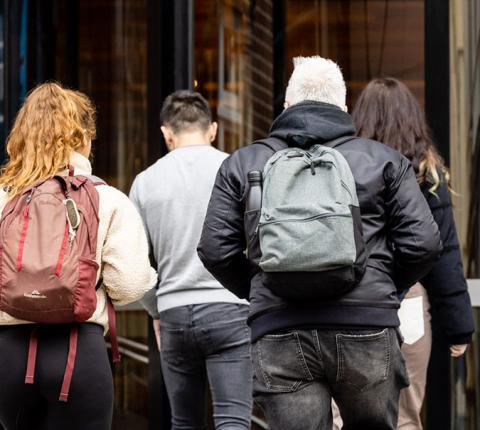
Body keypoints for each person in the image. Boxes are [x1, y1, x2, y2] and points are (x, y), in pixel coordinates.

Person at [197, 56, 442, 430]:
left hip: (279, 329)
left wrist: (261, 286)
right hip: (366, 326)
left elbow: (215, 248)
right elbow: (423, 243)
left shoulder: (243, 163)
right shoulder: (384, 161)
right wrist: (385, 289)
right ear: (344, 108)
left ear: (286, 106)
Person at [0, 82, 157, 430]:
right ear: (84, 139)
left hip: (8, 355)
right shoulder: (107, 199)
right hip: (77, 353)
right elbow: (129, 284)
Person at [339, 77, 473, 429]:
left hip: (348, 300)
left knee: (341, 415)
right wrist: (458, 328)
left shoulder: (340, 168)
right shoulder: (427, 174)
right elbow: (442, 253)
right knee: (405, 417)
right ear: (413, 121)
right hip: (408, 303)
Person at [130, 90, 251, 429]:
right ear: (212, 129)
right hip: (231, 309)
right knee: (233, 420)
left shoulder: (144, 182)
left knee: (184, 423)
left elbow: (135, 265)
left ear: (167, 133)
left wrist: (156, 307)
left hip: (174, 315)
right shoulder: (235, 170)